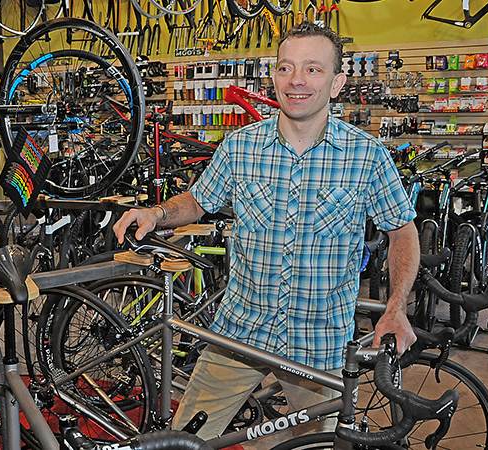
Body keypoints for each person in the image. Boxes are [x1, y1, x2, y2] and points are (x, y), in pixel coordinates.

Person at [113, 22, 419, 443]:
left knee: (316, 446)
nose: (296, 80)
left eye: (313, 69)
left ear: (337, 83)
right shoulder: (240, 146)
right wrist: (157, 213)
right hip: (239, 333)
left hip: (317, 344)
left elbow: (403, 232)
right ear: (274, 76)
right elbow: (199, 199)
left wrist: (396, 306)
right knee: (184, 439)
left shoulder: (367, 156)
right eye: (286, 68)